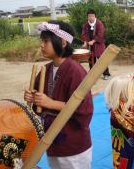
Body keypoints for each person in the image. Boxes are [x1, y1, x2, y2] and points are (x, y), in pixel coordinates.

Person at [24, 20, 93, 169]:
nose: (42, 45)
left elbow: (84, 109)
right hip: (52, 141)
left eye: (46, 41)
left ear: (62, 42)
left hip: (73, 146)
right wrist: (33, 98)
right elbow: (38, 104)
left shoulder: (76, 71)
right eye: (42, 41)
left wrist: (49, 103)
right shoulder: (46, 69)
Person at [81, 9, 111, 80]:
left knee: (102, 60)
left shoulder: (99, 24)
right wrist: (85, 42)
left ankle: (106, 74)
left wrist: (94, 41)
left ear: (95, 16)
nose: (91, 17)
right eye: (89, 16)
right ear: (87, 17)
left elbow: (101, 34)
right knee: (91, 60)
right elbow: (83, 34)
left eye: (92, 16)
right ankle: (92, 75)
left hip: (99, 45)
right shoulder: (85, 25)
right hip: (90, 45)